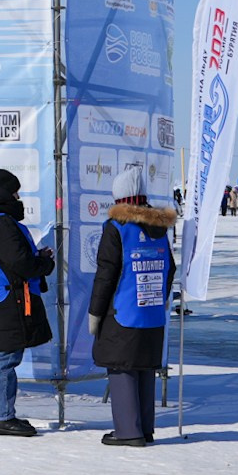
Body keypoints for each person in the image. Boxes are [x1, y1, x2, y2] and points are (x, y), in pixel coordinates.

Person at [88, 164, 173, 447]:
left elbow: (106, 274)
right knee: (145, 368)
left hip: (122, 311)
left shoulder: (116, 228)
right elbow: (169, 268)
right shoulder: (159, 228)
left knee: (121, 367)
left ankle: (128, 431)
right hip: (151, 313)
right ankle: (145, 428)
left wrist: (95, 312)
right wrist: (159, 299)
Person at [0, 168, 54, 438]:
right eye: (15, 191)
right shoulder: (1, 223)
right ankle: (3, 417)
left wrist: (33, 256)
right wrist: (44, 263)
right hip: (8, 300)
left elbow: (6, 258)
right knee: (6, 358)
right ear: (4, 192)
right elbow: (19, 263)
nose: (18, 196)